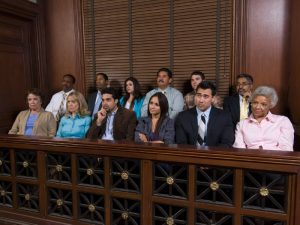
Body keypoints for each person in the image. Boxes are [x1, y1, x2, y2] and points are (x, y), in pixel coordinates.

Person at [233, 86, 294, 151]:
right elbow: (239, 150)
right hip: (250, 159)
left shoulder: (283, 121)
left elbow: (286, 149)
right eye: (255, 102)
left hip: (276, 160)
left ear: (270, 105)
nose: (257, 107)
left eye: (263, 104)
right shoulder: (241, 124)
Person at [175, 81, 234, 147]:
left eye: (205, 96)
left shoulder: (224, 117)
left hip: (214, 155)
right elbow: (181, 144)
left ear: (213, 98)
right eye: (198, 95)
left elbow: (226, 143)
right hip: (190, 155)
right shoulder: (182, 117)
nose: (201, 100)